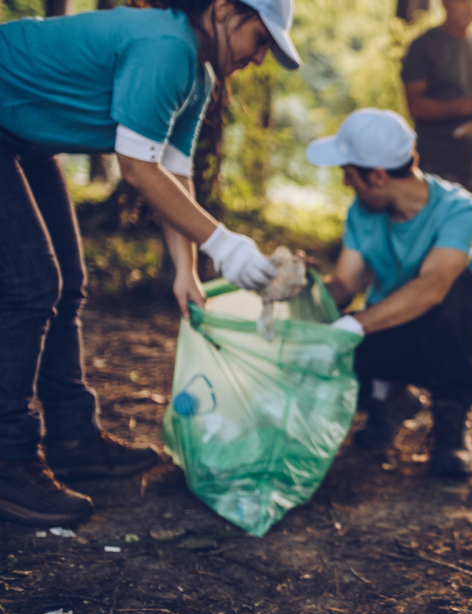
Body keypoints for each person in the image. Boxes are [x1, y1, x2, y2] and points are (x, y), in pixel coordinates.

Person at [0, 0, 300, 527]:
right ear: (227, 10)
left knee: (67, 283)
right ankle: (8, 458)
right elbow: (136, 168)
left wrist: (186, 268)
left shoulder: (199, 75)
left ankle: (73, 436)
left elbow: (173, 172)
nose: (260, 59)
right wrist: (224, 245)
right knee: (31, 285)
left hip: (25, 137)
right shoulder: (166, 46)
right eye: (261, 40)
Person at [307, 108, 472, 478]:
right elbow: (343, 285)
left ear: (376, 176)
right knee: (326, 360)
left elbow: (433, 287)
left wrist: (355, 325)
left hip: (443, 339)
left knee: (459, 290)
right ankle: (388, 400)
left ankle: (451, 425)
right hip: (385, 332)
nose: (346, 183)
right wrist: (303, 286)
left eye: (349, 174)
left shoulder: (461, 210)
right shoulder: (362, 212)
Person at [401, 0, 472, 282]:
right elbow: (416, 106)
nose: (471, 7)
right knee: (431, 246)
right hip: (436, 164)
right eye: (463, 1)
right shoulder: (424, 46)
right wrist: (469, 105)